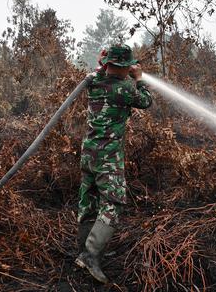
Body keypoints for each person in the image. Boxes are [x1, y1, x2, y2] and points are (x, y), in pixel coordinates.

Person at [74, 44, 153, 283]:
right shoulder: (124, 89)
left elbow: (100, 72)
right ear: (123, 67)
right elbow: (146, 101)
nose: (131, 68)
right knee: (113, 203)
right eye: (128, 65)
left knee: (89, 201)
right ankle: (90, 255)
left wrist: (102, 64)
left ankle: (83, 252)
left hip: (89, 155)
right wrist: (139, 79)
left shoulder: (94, 82)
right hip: (108, 159)